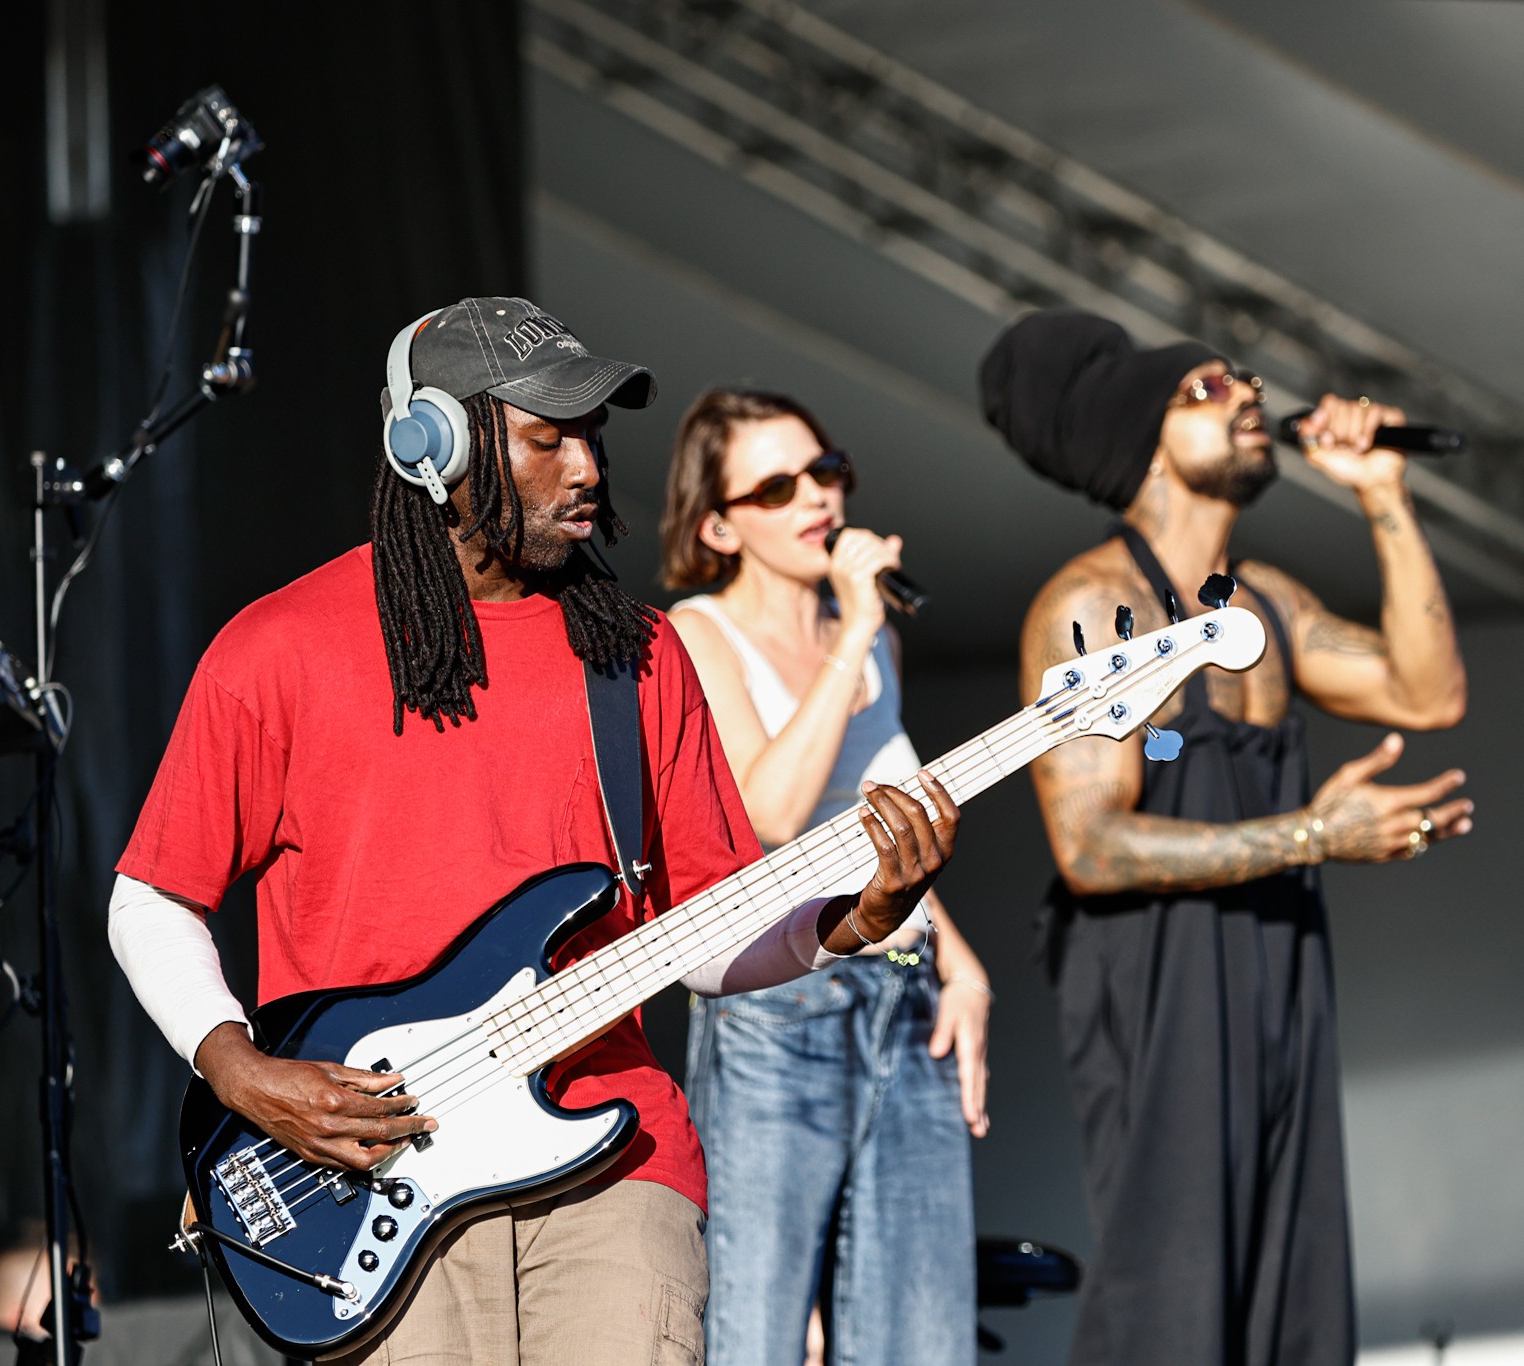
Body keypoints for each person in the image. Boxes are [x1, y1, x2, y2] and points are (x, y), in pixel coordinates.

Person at [106, 298, 960, 1366]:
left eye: (592, 434)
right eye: (546, 436)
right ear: (434, 445)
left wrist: (846, 917)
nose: (588, 468)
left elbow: (704, 936)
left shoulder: (638, 654)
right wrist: (235, 1067)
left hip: (614, 1159)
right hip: (376, 1176)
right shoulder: (277, 648)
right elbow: (151, 895)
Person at [979, 310, 1472, 1366]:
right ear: (1139, 438)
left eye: (1247, 382)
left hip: (1277, 976)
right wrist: (1313, 833)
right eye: (1208, 389)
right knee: (1173, 1308)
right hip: (1161, 993)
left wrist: (1382, 494)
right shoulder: (1089, 604)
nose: (1249, 398)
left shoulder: (1271, 604)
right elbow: (1090, 845)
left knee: (1290, 1304)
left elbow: (1425, 695)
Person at [659, 389, 990, 1366]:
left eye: (825, 470)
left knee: (920, 1338)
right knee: (756, 1329)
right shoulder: (696, 634)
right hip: (782, 1000)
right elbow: (771, 809)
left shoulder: (873, 641)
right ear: (719, 523)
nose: (814, 497)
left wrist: (959, 961)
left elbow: (883, 811)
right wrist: (848, 635)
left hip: (904, 983)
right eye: (776, 484)